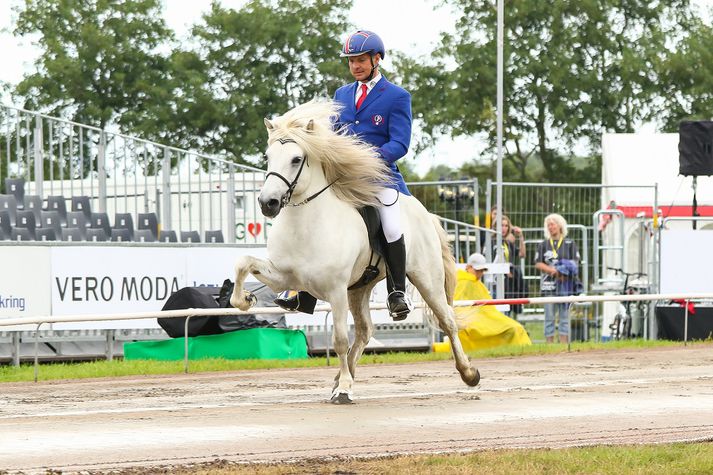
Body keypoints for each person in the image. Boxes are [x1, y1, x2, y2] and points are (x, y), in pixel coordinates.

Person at [274, 30, 413, 320]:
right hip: (343, 179)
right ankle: (304, 293)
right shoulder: (342, 95)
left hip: (379, 178)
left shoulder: (398, 97)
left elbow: (399, 143)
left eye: (361, 60)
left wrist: (366, 161)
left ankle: (396, 291)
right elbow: (333, 135)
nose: (356, 66)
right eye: (351, 61)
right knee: (315, 216)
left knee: (390, 225)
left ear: (377, 59)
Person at [433, 252, 531, 352]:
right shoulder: (463, 281)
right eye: (478, 270)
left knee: (515, 328)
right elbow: (457, 305)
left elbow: (488, 308)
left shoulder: (474, 282)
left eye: (482, 271)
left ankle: (522, 349)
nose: (480, 274)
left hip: (486, 317)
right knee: (514, 328)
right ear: (468, 267)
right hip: (471, 319)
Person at [534, 213, 581, 343]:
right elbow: (538, 263)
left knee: (564, 316)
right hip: (548, 286)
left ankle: (564, 344)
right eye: (548, 225)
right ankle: (549, 345)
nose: (550, 227)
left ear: (560, 225)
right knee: (549, 316)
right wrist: (554, 271)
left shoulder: (570, 243)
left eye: (552, 224)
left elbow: (575, 263)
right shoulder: (543, 244)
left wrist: (564, 273)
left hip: (565, 286)